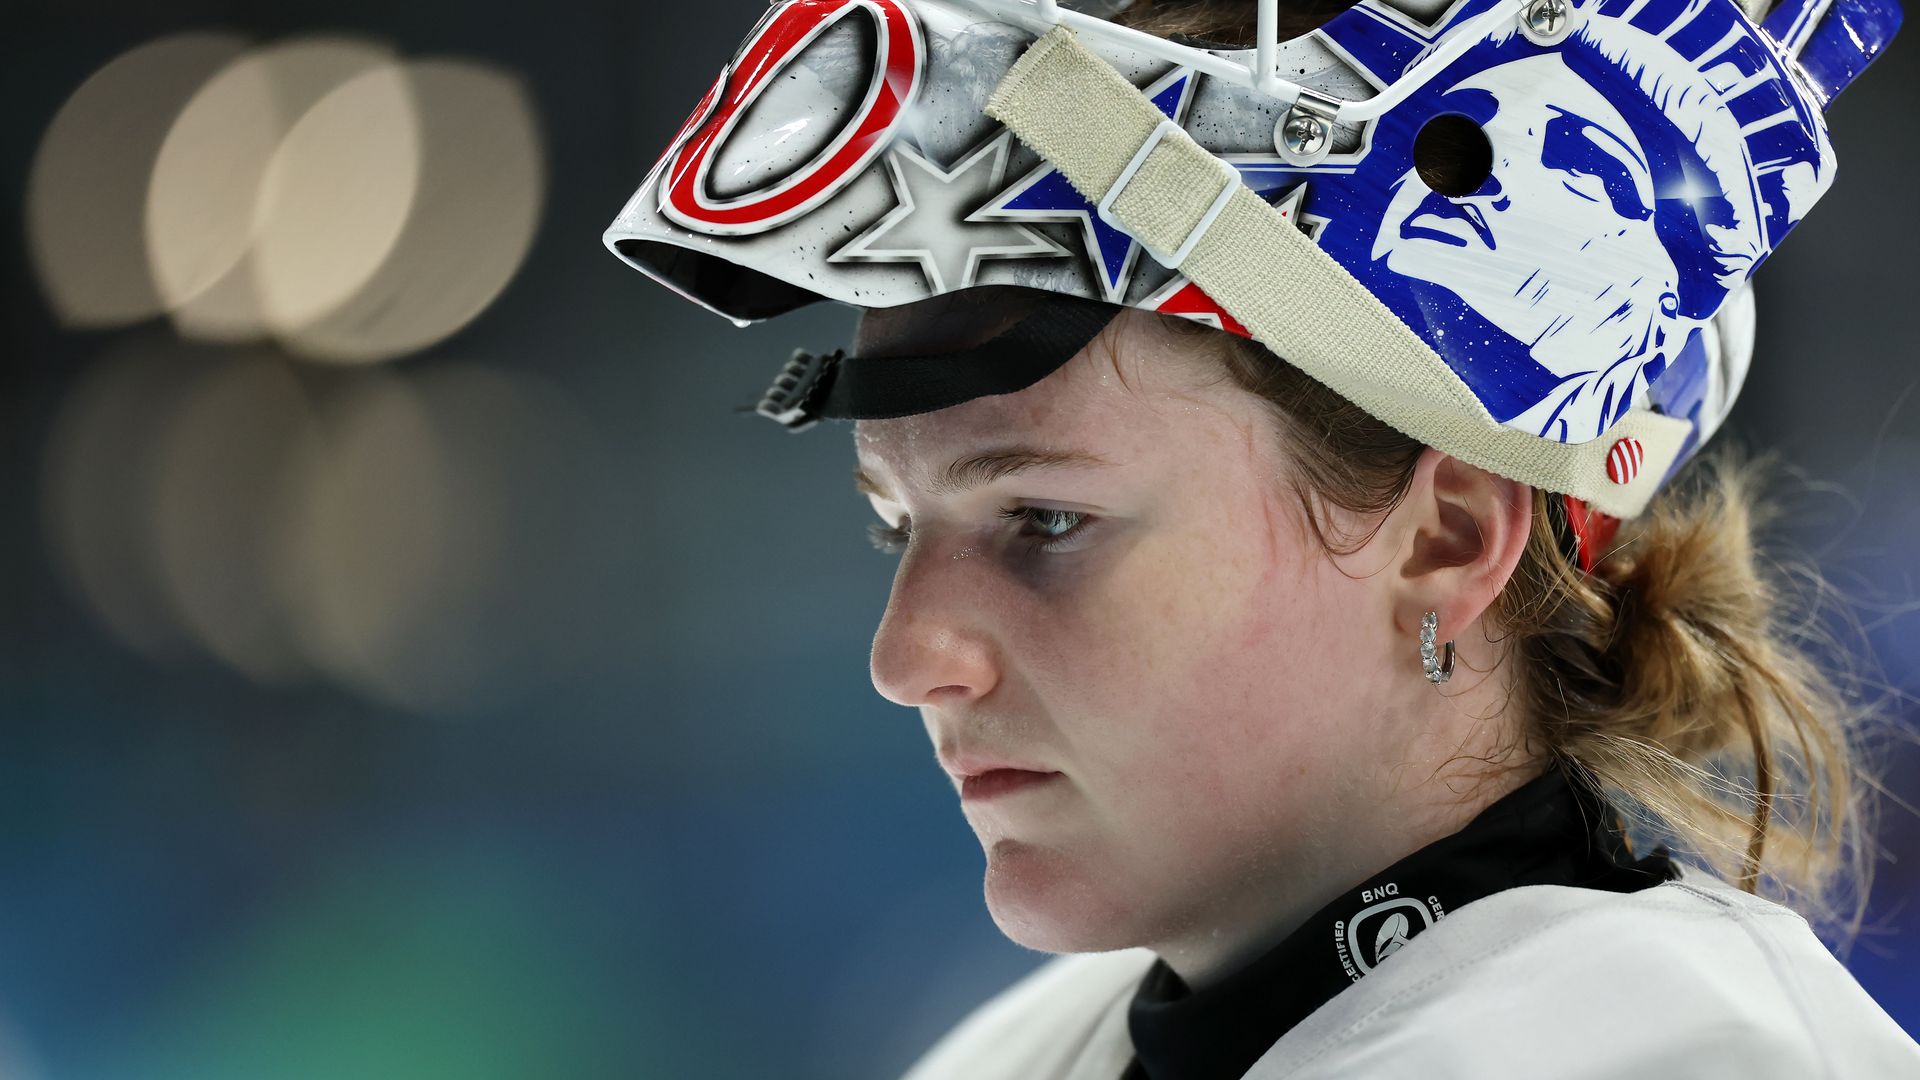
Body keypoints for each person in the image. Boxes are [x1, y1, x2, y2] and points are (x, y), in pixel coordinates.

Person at [603, 0, 1919, 1075]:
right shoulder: (1015, 1056)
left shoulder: (1691, 1058)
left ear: (1448, 537)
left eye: (1045, 520)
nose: (906, 660)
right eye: (896, 527)